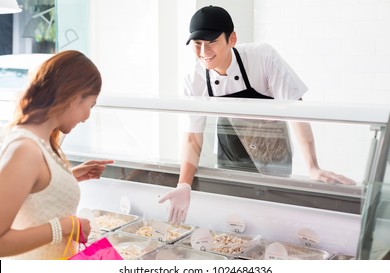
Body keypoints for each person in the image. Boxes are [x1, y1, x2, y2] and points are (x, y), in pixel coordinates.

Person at [159, 5, 356, 225]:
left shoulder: (262, 57)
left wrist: (313, 166)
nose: (204, 52)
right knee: (235, 210)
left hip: (271, 143)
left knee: (273, 210)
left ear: (231, 39)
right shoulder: (192, 79)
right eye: (197, 44)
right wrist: (183, 185)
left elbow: (296, 111)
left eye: (212, 42)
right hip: (231, 144)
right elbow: (192, 137)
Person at [0, 50, 114, 259]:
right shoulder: (26, 149)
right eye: (91, 105)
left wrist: (69, 176)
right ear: (74, 97)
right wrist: (66, 226)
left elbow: (35, 193)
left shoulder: (39, 142)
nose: (87, 116)